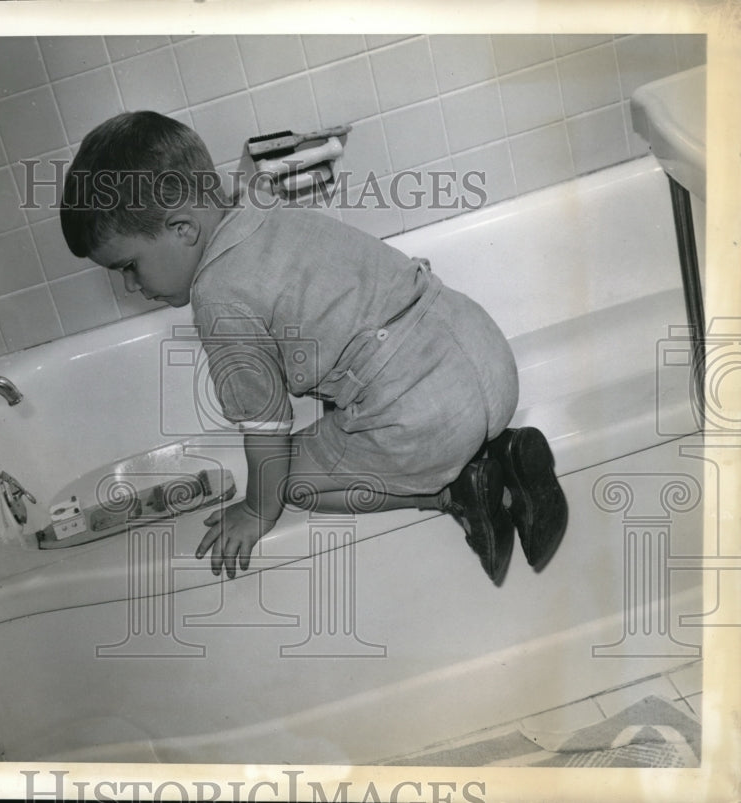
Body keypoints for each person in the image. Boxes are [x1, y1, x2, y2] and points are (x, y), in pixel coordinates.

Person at [60, 110, 567, 586]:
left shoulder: (218, 296)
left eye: (128, 266)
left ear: (183, 228)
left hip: (424, 420)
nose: (131, 287)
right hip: (485, 354)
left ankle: (455, 490)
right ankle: (500, 448)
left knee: (287, 484)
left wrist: (258, 510)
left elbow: (266, 430)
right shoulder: (256, 204)